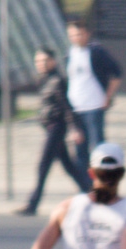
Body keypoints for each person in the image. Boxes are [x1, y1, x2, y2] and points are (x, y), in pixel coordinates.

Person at [16, 48, 91, 216]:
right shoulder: (43, 80)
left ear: (53, 62)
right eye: (38, 61)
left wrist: (75, 129)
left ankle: (32, 203)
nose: (41, 64)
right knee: (69, 166)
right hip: (49, 127)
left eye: (44, 61)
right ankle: (92, 193)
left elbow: (67, 106)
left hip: (56, 127)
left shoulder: (57, 80)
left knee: (43, 165)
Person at [66, 17, 122, 175]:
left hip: (94, 106)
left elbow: (117, 73)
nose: (77, 38)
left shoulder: (97, 52)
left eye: (80, 34)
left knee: (98, 148)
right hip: (76, 108)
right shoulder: (68, 54)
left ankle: (102, 181)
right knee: (79, 150)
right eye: (73, 35)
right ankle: (85, 186)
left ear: (87, 34)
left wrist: (108, 96)